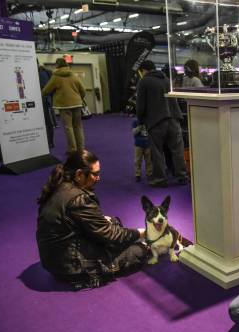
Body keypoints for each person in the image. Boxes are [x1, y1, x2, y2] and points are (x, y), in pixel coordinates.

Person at [36, 150, 148, 289]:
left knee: (113, 222)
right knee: (141, 251)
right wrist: (142, 232)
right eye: (95, 174)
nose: (98, 178)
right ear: (79, 174)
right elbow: (110, 234)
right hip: (68, 267)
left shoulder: (60, 184)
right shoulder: (79, 199)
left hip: (54, 258)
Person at [136, 60, 188, 187]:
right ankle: (181, 176)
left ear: (143, 70)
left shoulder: (144, 82)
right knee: (177, 150)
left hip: (156, 121)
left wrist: (140, 121)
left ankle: (159, 179)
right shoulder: (166, 79)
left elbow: (140, 105)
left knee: (157, 152)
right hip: (174, 119)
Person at [42, 58, 86, 155]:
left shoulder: (56, 76)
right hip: (77, 104)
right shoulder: (73, 75)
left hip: (64, 105)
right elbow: (83, 90)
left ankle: (72, 149)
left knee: (68, 127)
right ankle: (81, 148)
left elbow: (46, 90)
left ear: (57, 65)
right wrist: (79, 99)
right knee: (78, 126)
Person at [38, 61, 55, 148]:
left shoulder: (40, 74)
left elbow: (45, 88)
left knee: (46, 123)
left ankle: (48, 142)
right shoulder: (47, 72)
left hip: (42, 101)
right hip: (48, 101)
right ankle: (50, 142)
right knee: (49, 123)